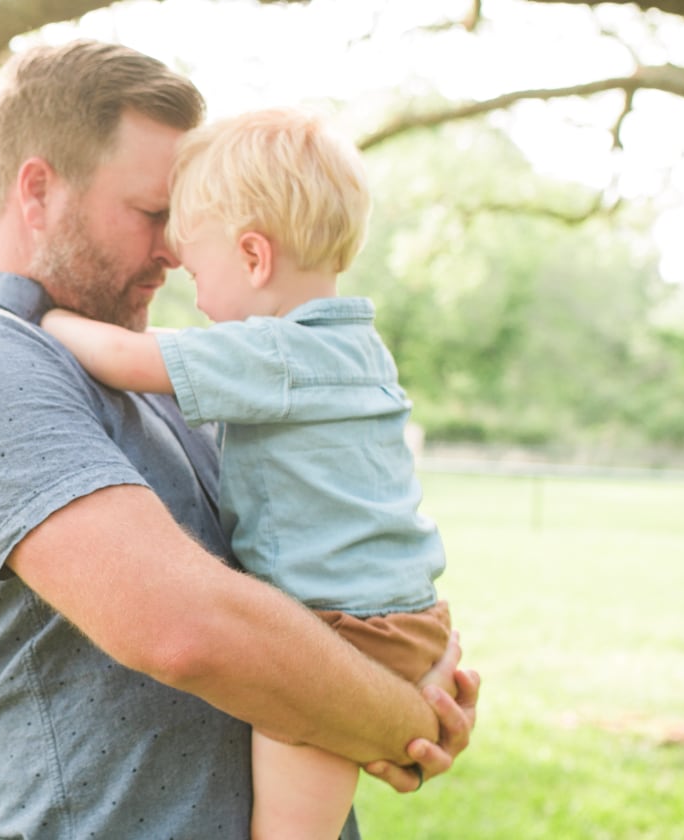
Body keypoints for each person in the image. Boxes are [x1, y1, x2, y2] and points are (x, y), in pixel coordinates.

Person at [0, 40, 479, 840]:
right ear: (38, 191)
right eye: (153, 213)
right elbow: (188, 631)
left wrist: (399, 664)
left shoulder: (146, 357)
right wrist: (404, 716)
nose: (174, 248)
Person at [41, 107, 453, 840]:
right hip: (404, 616)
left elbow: (130, 359)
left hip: (338, 633)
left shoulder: (275, 356)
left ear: (255, 257)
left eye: (199, 272)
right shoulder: (358, 349)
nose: (193, 296)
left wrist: (39, 318)